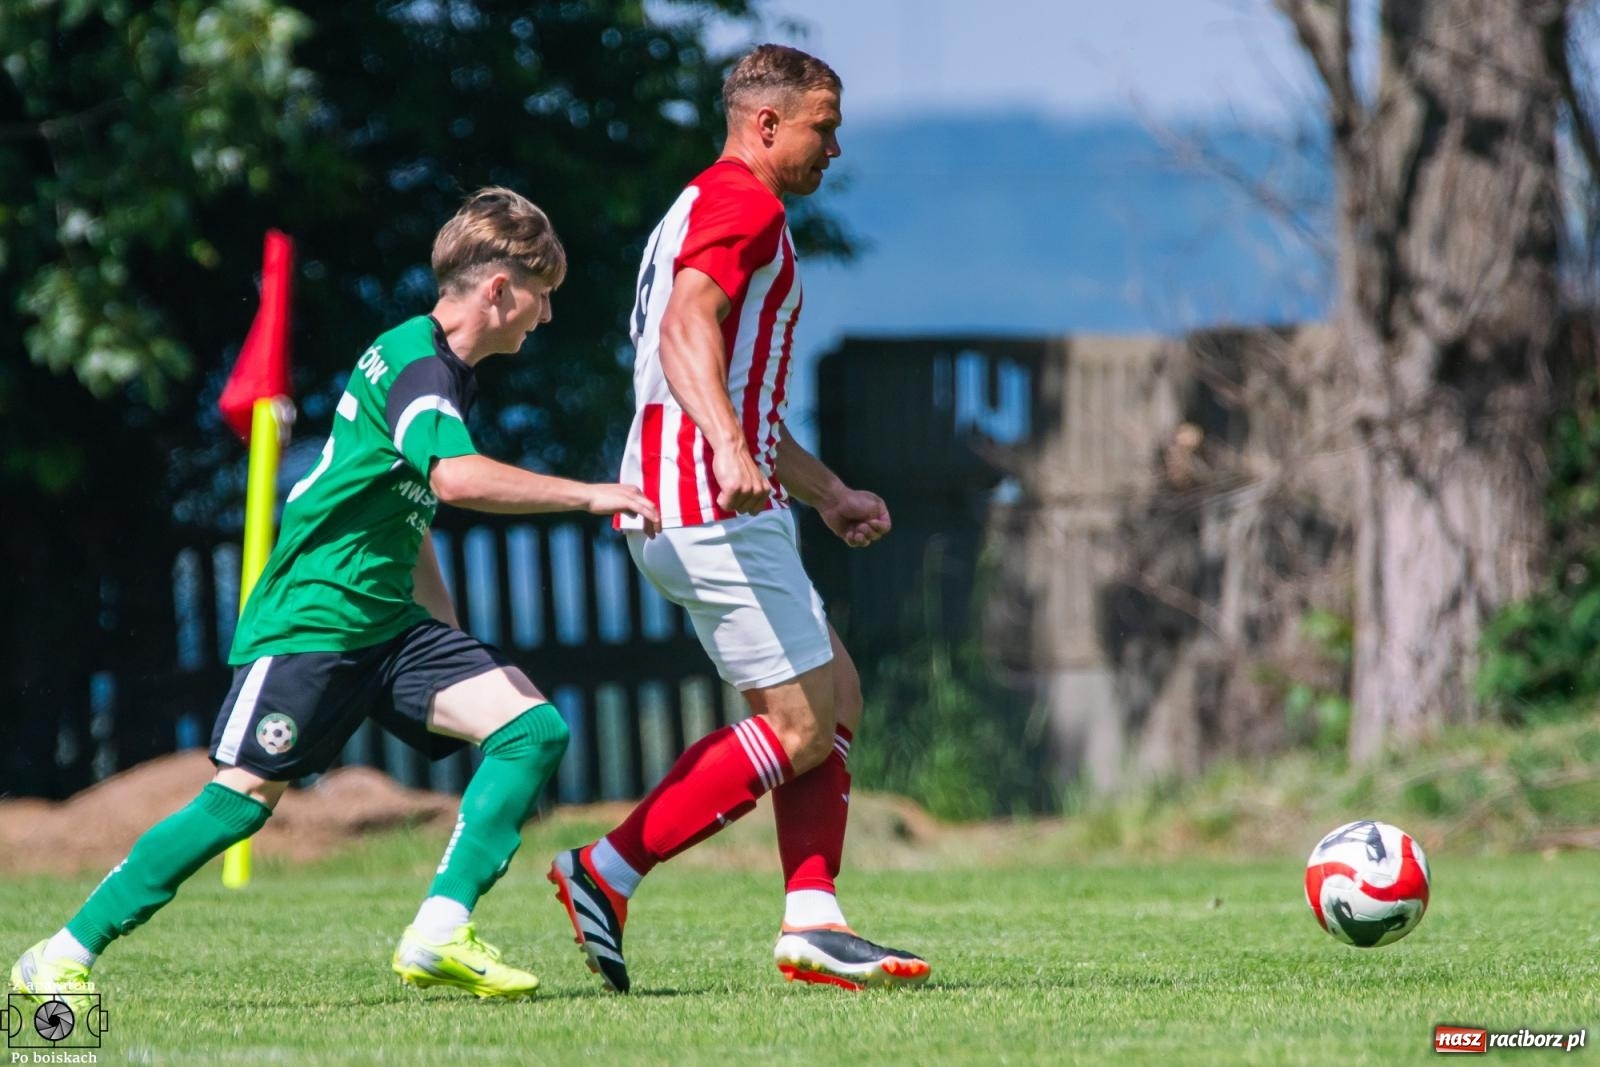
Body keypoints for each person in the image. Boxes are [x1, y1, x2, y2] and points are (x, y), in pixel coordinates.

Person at [9, 187, 660, 1003]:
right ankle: (62, 951)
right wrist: (593, 493)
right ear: (499, 289)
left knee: (530, 728)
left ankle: (439, 930)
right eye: (543, 294)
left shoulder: (433, 364)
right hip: (315, 617)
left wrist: (447, 632)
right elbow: (453, 480)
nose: (548, 316)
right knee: (240, 804)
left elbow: (409, 507)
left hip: (389, 623)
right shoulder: (423, 367)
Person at [547, 44, 930, 993]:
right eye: (823, 127)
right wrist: (723, 447)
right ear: (766, 124)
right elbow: (685, 330)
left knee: (835, 695)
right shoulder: (743, 202)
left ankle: (813, 917)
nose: (834, 148)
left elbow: (744, 393)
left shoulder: (703, 203)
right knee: (800, 726)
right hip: (702, 498)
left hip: (697, 492)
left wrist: (827, 490)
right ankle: (606, 869)